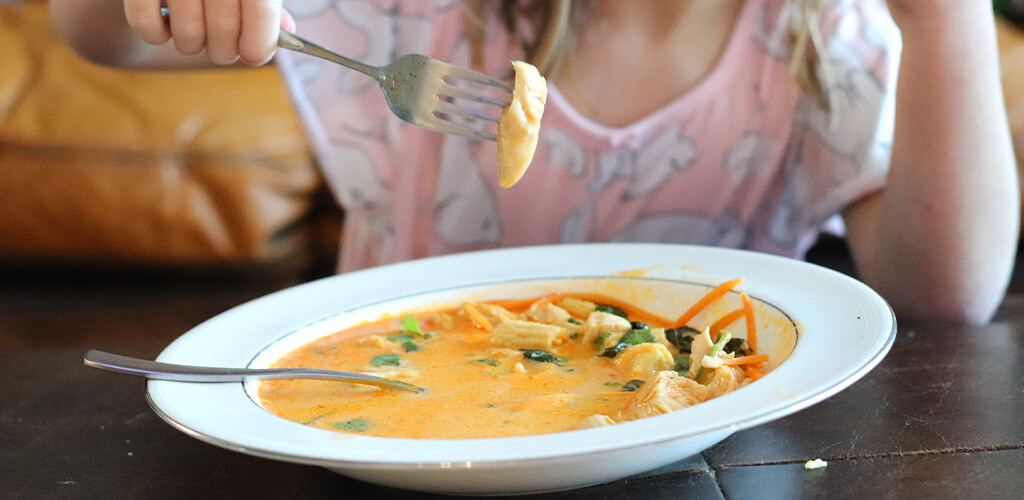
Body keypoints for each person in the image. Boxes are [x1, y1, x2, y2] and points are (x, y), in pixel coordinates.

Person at [49, 0, 1020, 325]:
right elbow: (97, 33)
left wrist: (946, 21)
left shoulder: (820, 37)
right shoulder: (424, 18)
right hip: (393, 425)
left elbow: (946, 297)